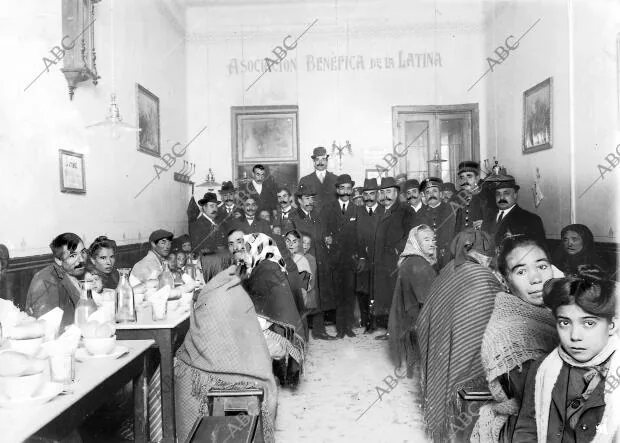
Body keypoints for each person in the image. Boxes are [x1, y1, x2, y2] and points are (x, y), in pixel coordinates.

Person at [174, 256, 277, 443]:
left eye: (200, 268)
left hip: (231, 375)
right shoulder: (231, 286)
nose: (197, 273)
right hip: (252, 366)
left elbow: (203, 343)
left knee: (178, 370)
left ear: (211, 270)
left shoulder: (215, 295)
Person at [513, 266, 620, 442]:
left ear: (612, 325)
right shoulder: (543, 368)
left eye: (589, 323)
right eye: (564, 323)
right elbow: (526, 430)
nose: (574, 336)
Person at [472, 235, 561, 443]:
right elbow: (547, 401)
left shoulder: (553, 312)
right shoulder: (511, 334)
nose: (536, 278)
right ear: (504, 280)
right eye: (521, 271)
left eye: (542, 266)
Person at [416, 228, 501, 442]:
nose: (491, 258)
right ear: (481, 251)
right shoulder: (481, 275)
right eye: (488, 251)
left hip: (439, 345)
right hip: (466, 355)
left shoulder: (448, 268)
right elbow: (493, 318)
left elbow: (428, 313)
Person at [231, 231, 306, 387]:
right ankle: (281, 372)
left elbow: (255, 298)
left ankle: (274, 372)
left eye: (247, 248)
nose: (245, 253)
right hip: (285, 323)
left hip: (274, 324)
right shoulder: (273, 263)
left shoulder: (265, 269)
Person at [387, 225, 438, 378]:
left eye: (433, 239)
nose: (432, 243)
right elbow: (429, 299)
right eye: (426, 239)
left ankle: (407, 363)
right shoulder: (418, 264)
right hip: (412, 317)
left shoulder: (410, 259)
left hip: (405, 315)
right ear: (415, 242)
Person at [291, 182, 336, 340]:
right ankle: (300, 333)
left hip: (320, 260)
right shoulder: (294, 218)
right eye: (306, 198)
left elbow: (323, 236)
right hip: (304, 262)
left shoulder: (317, 216)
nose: (310, 201)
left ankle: (319, 330)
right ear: (299, 201)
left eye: (312, 198)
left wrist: (327, 240)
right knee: (304, 296)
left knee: (319, 295)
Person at [372, 176, 413, 339]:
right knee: (387, 296)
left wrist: (398, 250)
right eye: (382, 192)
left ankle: (398, 332)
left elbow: (410, 234)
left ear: (396, 193)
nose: (385, 195)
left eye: (389, 191)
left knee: (397, 296)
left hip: (397, 261)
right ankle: (391, 331)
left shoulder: (405, 210)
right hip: (382, 262)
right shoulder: (381, 210)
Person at [321, 174, 359, 338]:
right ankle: (339, 329)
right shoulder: (329, 208)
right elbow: (323, 229)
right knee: (337, 294)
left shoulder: (357, 209)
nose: (345, 191)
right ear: (337, 190)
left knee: (349, 293)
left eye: (348, 188)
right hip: (335, 259)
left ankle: (348, 327)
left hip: (350, 259)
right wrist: (327, 239)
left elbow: (359, 234)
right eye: (342, 188)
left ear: (352, 190)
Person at [25, 233, 86, 332]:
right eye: (73, 255)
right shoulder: (46, 281)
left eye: (83, 252)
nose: (82, 259)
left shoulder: (75, 273)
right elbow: (49, 330)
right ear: (58, 260)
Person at [355, 178, 385, 333]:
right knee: (362, 291)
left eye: (372, 194)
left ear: (378, 194)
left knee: (377, 289)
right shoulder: (358, 212)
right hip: (362, 258)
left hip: (379, 259)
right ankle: (366, 321)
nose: (368, 197)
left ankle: (375, 321)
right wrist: (360, 255)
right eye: (365, 194)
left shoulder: (384, 211)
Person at [482, 175, 546, 245]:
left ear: (515, 195)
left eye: (506, 193)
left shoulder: (531, 220)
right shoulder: (486, 217)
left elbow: (538, 252)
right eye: (498, 194)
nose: (501, 197)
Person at [418, 177, 456, 269]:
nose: (431, 194)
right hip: (428, 261)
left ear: (441, 194)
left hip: (449, 258)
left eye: (434, 191)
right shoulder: (420, 214)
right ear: (424, 196)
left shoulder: (452, 210)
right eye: (427, 192)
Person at [454, 161, 495, 232]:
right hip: (461, 238)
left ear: (477, 178)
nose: (465, 180)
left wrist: (484, 224)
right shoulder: (458, 196)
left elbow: (494, 220)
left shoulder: (487, 195)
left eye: (469, 176)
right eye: (462, 177)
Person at [297, 146, 339, 213]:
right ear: (313, 162)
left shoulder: (336, 179)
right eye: (317, 159)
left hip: (332, 219)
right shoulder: (305, 180)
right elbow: (299, 201)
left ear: (327, 161)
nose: (320, 162)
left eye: (323, 159)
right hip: (313, 219)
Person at [188, 192, 227, 257]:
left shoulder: (220, 223)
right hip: (207, 262)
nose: (215, 209)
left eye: (216, 206)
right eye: (211, 206)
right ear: (204, 208)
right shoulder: (195, 225)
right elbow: (196, 249)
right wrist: (216, 250)